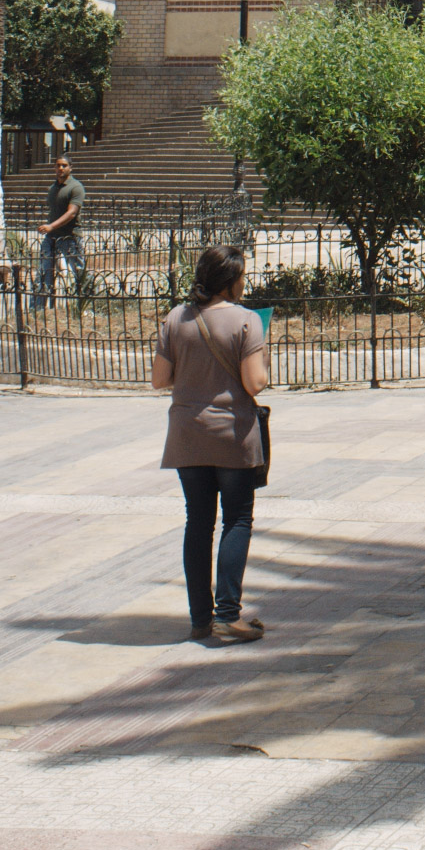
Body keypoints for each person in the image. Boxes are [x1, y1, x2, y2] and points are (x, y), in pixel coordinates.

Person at [152, 244, 270, 645]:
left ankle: (200, 618)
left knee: (198, 521)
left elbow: (159, 379)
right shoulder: (247, 321)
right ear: (230, 280)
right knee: (237, 519)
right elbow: (254, 383)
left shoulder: (175, 319)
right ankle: (228, 615)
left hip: (187, 435)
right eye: (241, 276)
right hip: (232, 435)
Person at [31, 156, 85, 311]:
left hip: (70, 236)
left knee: (78, 273)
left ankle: (83, 305)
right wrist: (50, 229)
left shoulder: (76, 187)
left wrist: (51, 226)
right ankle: (37, 308)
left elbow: (72, 213)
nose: (61, 168)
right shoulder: (53, 188)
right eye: (58, 165)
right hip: (52, 237)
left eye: (64, 165)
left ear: (70, 168)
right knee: (44, 271)